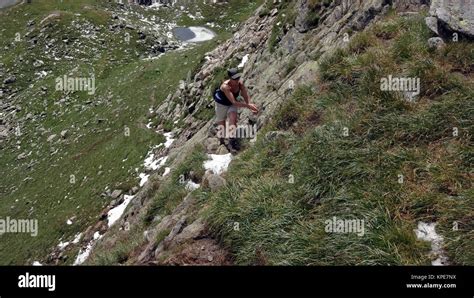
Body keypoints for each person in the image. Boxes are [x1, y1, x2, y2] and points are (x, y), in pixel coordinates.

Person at [213, 68, 259, 151]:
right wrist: (248, 106)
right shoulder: (225, 87)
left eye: (238, 77)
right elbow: (234, 102)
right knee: (222, 124)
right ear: (230, 78)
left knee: (233, 118)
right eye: (235, 78)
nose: (237, 80)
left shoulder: (240, 84)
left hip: (230, 104)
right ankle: (222, 141)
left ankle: (232, 139)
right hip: (221, 104)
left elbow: (245, 95)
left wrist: (249, 104)